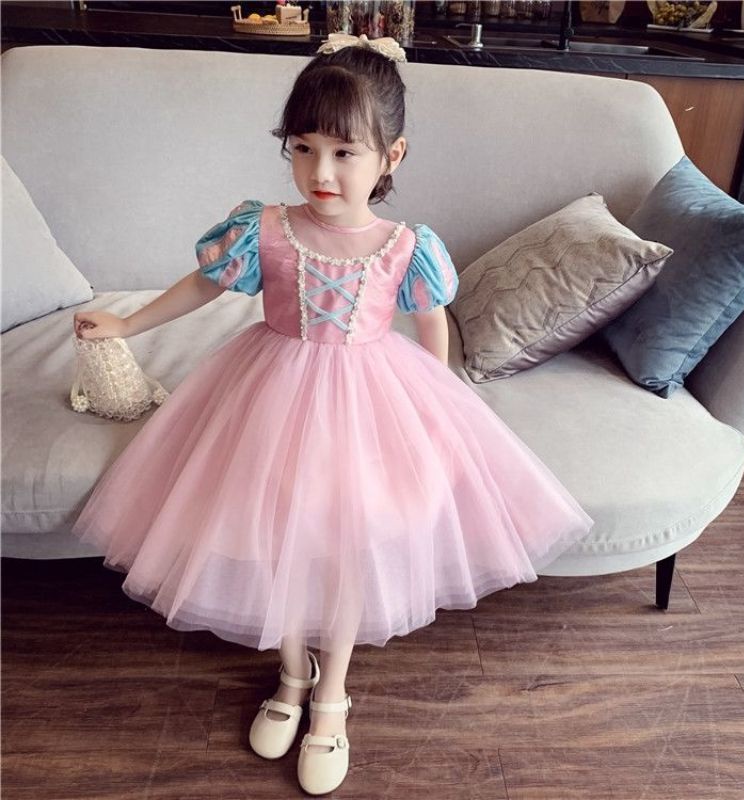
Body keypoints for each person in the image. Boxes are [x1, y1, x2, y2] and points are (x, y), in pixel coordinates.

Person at [71, 33, 594, 796]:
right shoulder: (264, 228)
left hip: (369, 405)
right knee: (273, 532)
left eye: (345, 152)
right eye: (303, 148)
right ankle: (292, 672)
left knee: (350, 544)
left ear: (391, 156)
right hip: (267, 394)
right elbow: (204, 285)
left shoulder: (407, 246)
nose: (320, 172)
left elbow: (432, 328)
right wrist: (127, 323)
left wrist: (443, 405)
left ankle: (333, 695)